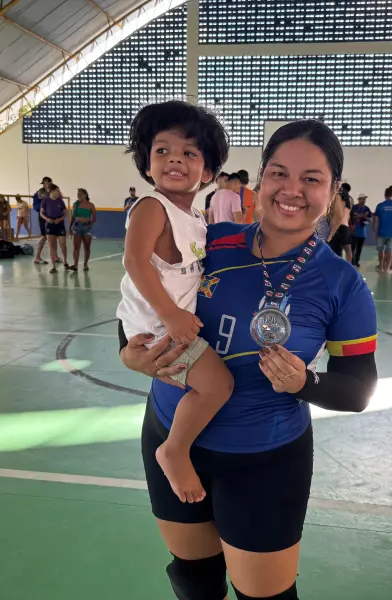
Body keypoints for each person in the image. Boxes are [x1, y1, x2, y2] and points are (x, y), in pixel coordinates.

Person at [119, 119, 378, 600]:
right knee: (194, 580)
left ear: (333, 189)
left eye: (311, 179)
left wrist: (306, 384)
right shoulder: (210, 242)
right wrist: (129, 355)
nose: (292, 190)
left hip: (264, 460)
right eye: (279, 173)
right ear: (261, 180)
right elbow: (139, 302)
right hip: (170, 434)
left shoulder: (342, 283)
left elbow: (359, 389)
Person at [117, 100, 234, 505]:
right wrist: (170, 313)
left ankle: (177, 446)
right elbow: (135, 261)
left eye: (189, 152)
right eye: (162, 150)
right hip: (158, 328)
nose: (174, 160)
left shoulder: (197, 219)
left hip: (169, 324)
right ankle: (174, 450)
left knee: (214, 383)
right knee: (218, 385)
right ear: (146, 163)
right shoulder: (152, 206)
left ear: (209, 172)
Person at [41, 185, 69, 273]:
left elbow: (65, 213)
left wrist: (60, 219)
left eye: (58, 191)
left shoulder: (60, 201)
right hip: (50, 224)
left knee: (63, 244)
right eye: (57, 191)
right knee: (52, 246)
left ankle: (65, 261)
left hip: (59, 224)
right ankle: (53, 266)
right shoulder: (45, 201)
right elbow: (41, 213)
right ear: (51, 191)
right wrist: (47, 219)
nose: (58, 192)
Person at [67, 188, 96, 272]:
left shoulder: (91, 205)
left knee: (87, 247)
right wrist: (70, 227)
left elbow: (94, 219)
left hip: (86, 227)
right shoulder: (75, 204)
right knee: (76, 247)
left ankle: (85, 265)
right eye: (78, 194)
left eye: (81, 194)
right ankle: (75, 265)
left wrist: (89, 226)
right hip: (77, 227)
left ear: (85, 195)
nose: (79, 195)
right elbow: (73, 217)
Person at [34, 177, 59, 264]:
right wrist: (52, 192)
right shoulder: (41, 191)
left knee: (53, 236)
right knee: (44, 236)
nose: (45, 184)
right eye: (44, 183)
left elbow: (58, 197)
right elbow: (44, 197)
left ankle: (55, 256)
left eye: (47, 182)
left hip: (52, 215)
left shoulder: (54, 190)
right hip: (43, 215)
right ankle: (37, 257)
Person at [328, 182, 353, 260]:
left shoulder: (339, 199)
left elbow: (338, 217)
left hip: (338, 227)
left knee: (336, 252)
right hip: (346, 227)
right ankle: (349, 268)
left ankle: (338, 269)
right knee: (348, 250)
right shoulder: (350, 201)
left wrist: (331, 233)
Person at [350, 192, 371, 268]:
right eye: (363, 199)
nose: (364, 200)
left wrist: (365, 217)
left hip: (362, 233)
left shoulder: (367, 209)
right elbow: (350, 218)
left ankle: (356, 261)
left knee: (359, 249)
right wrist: (358, 216)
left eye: (365, 199)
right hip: (354, 232)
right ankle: (351, 262)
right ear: (359, 199)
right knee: (352, 248)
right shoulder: (354, 208)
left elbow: (369, 219)